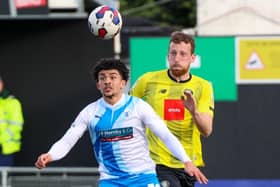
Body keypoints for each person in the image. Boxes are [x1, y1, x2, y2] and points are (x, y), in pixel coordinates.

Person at [35, 58, 208, 187]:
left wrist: (186, 161)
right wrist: (50, 155)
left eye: (112, 77)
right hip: (111, 181)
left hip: (143, 178)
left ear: (123, 83)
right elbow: (68, 140)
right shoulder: (89, 112)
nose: (107, 81)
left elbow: (165, 135)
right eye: (102, 78)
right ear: (98, 85)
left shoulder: (139, 107)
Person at [130, 31, 214, 187]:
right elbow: (125, 110)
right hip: (155, 162)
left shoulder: (203, 86)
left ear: (192, 58)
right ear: (167, 56)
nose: (177, 58)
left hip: (188, 164)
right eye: (173, 53)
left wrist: (194, 111)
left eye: (183, 54)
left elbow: (207, 130)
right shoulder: (147, 80)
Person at [0, 75, 24, 166]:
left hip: (6, 150)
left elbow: (16, 126)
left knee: (3, 177)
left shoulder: (13, 103)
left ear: (2, 84)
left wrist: (1, 139)